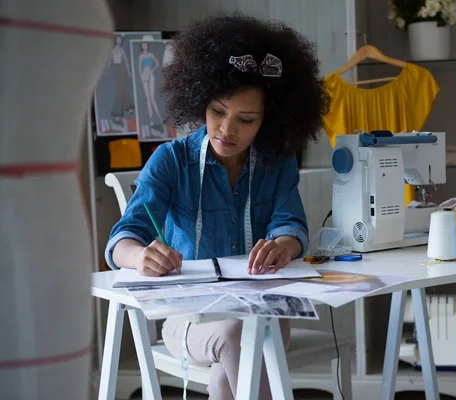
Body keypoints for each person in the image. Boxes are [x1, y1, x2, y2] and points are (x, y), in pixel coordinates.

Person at [104, 12, 330, 400]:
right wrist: (140, 256)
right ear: (200, 101)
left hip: (265, 314)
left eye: (246, 119)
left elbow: (291, 224)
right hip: (185, 319)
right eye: (217, 112)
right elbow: (123, 238)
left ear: (268, 121)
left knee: (232, 363)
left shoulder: (278, 162)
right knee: (234, 339)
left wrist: (284, 246)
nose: (227, 129)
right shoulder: (170, 161)